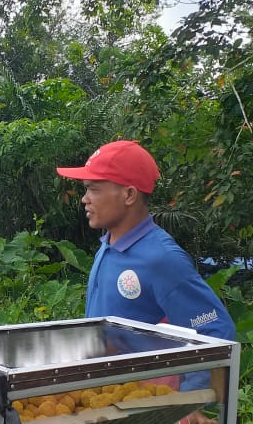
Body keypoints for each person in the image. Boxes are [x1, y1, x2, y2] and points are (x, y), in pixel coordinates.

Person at [56, 140, 236, 392]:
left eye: (93, 189)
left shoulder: (161, 258)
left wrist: (188, 402)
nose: (84, 199)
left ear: (129, 194)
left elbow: (215, 328)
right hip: (107, 398)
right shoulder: (108, 245)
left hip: (143, 409)